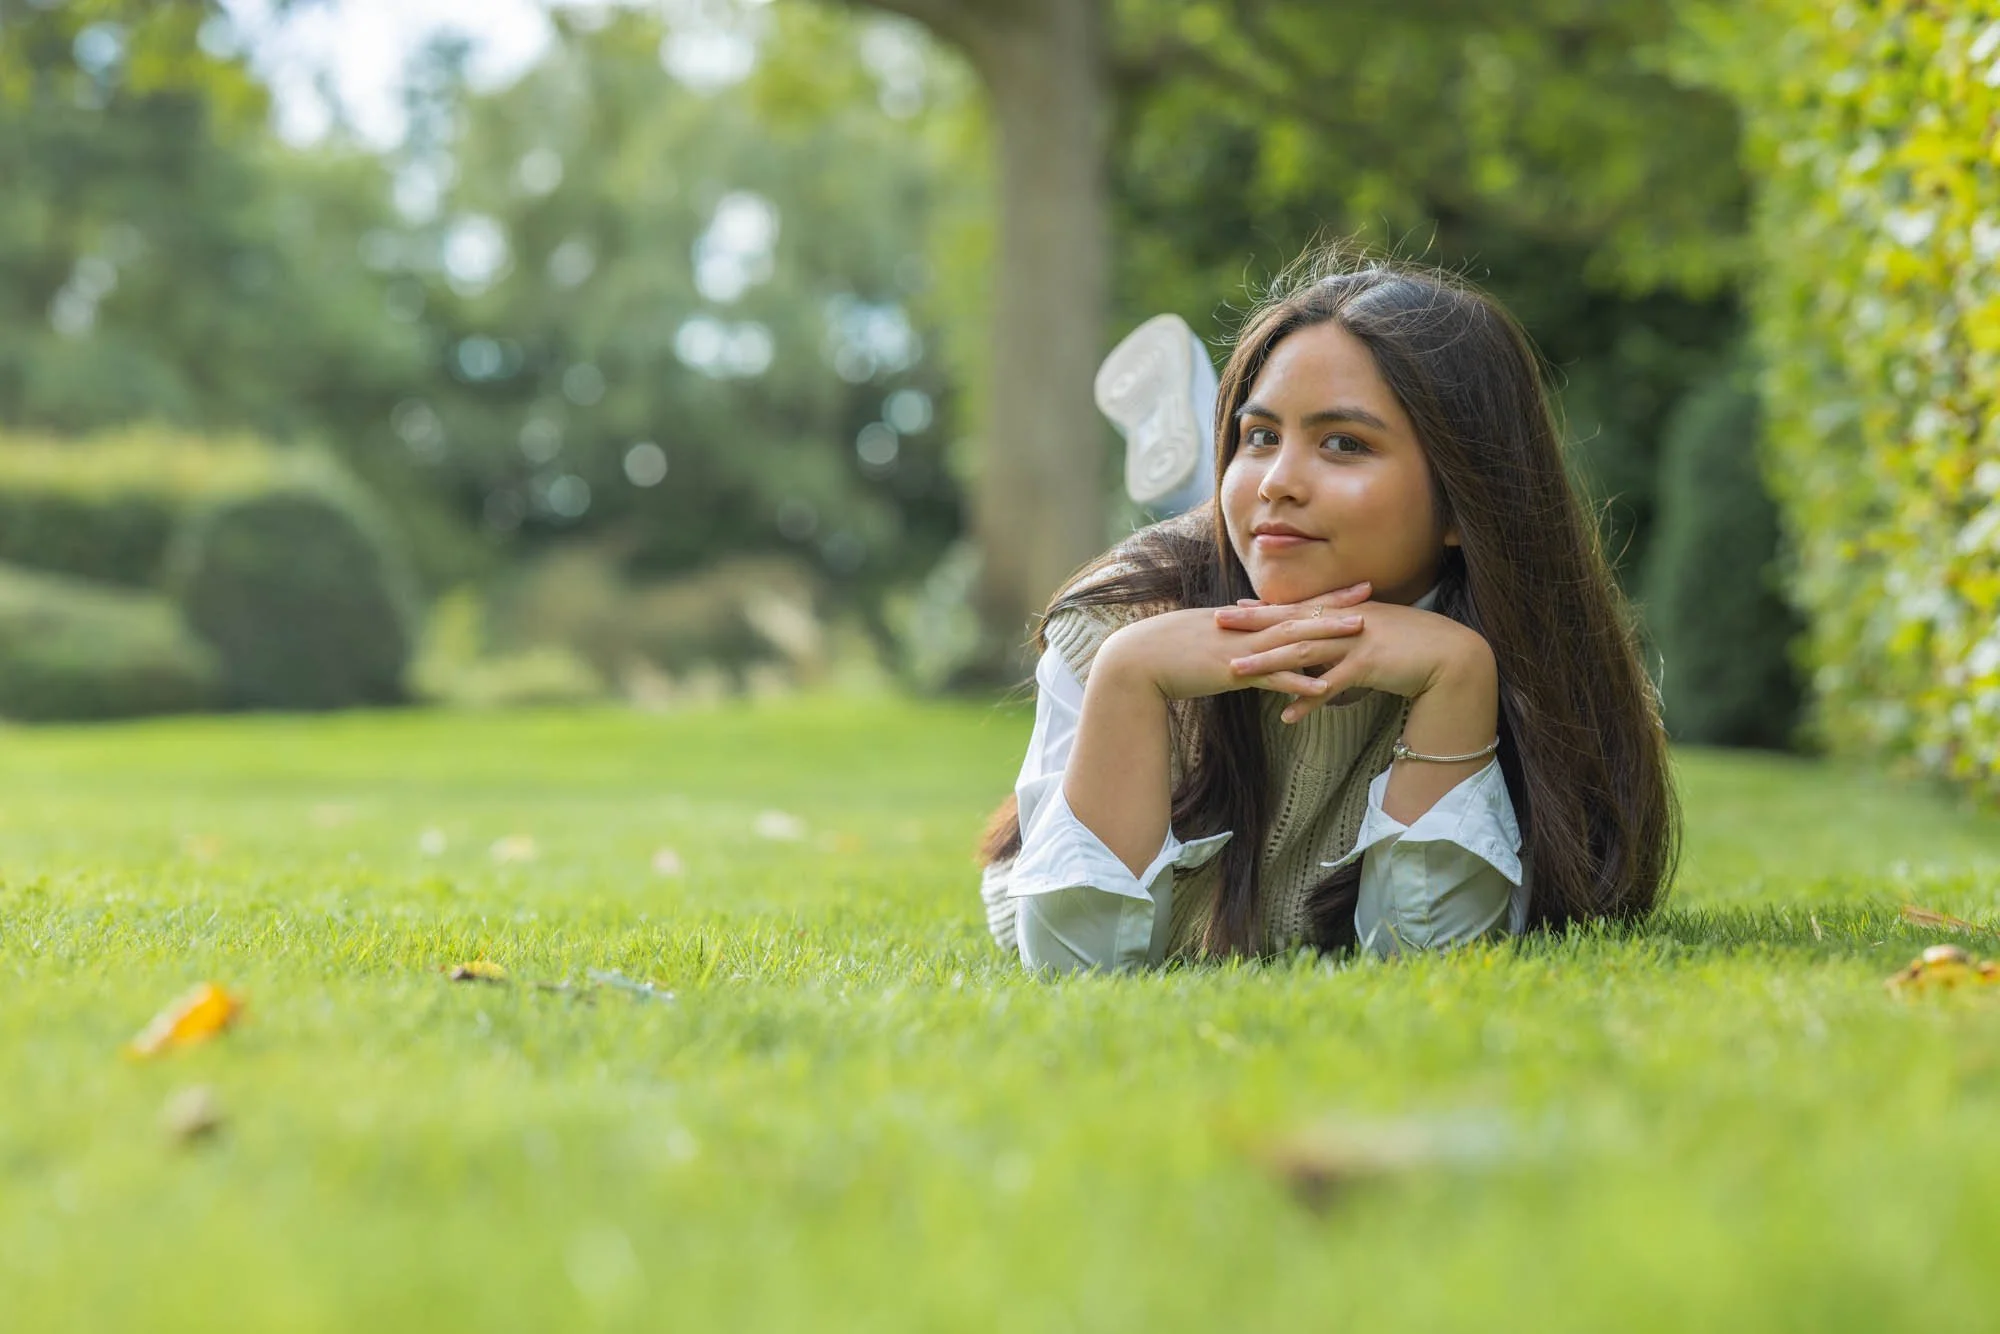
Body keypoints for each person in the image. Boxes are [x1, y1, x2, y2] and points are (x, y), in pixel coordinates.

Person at [977, 249, 1679, 974]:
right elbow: (1077, 965)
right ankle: (1194, 483)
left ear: (1466, 498)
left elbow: (1427, 959)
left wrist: (1458, 674)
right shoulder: (1116, 621)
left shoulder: (1524, 647)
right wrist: (1128, 675)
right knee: (1227, 533)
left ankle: (1194, 466)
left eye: (1344, 444)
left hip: (1298, 561)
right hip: (1187, 595)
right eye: (1259, 436)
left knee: (1256, 523)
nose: (1279, 480)